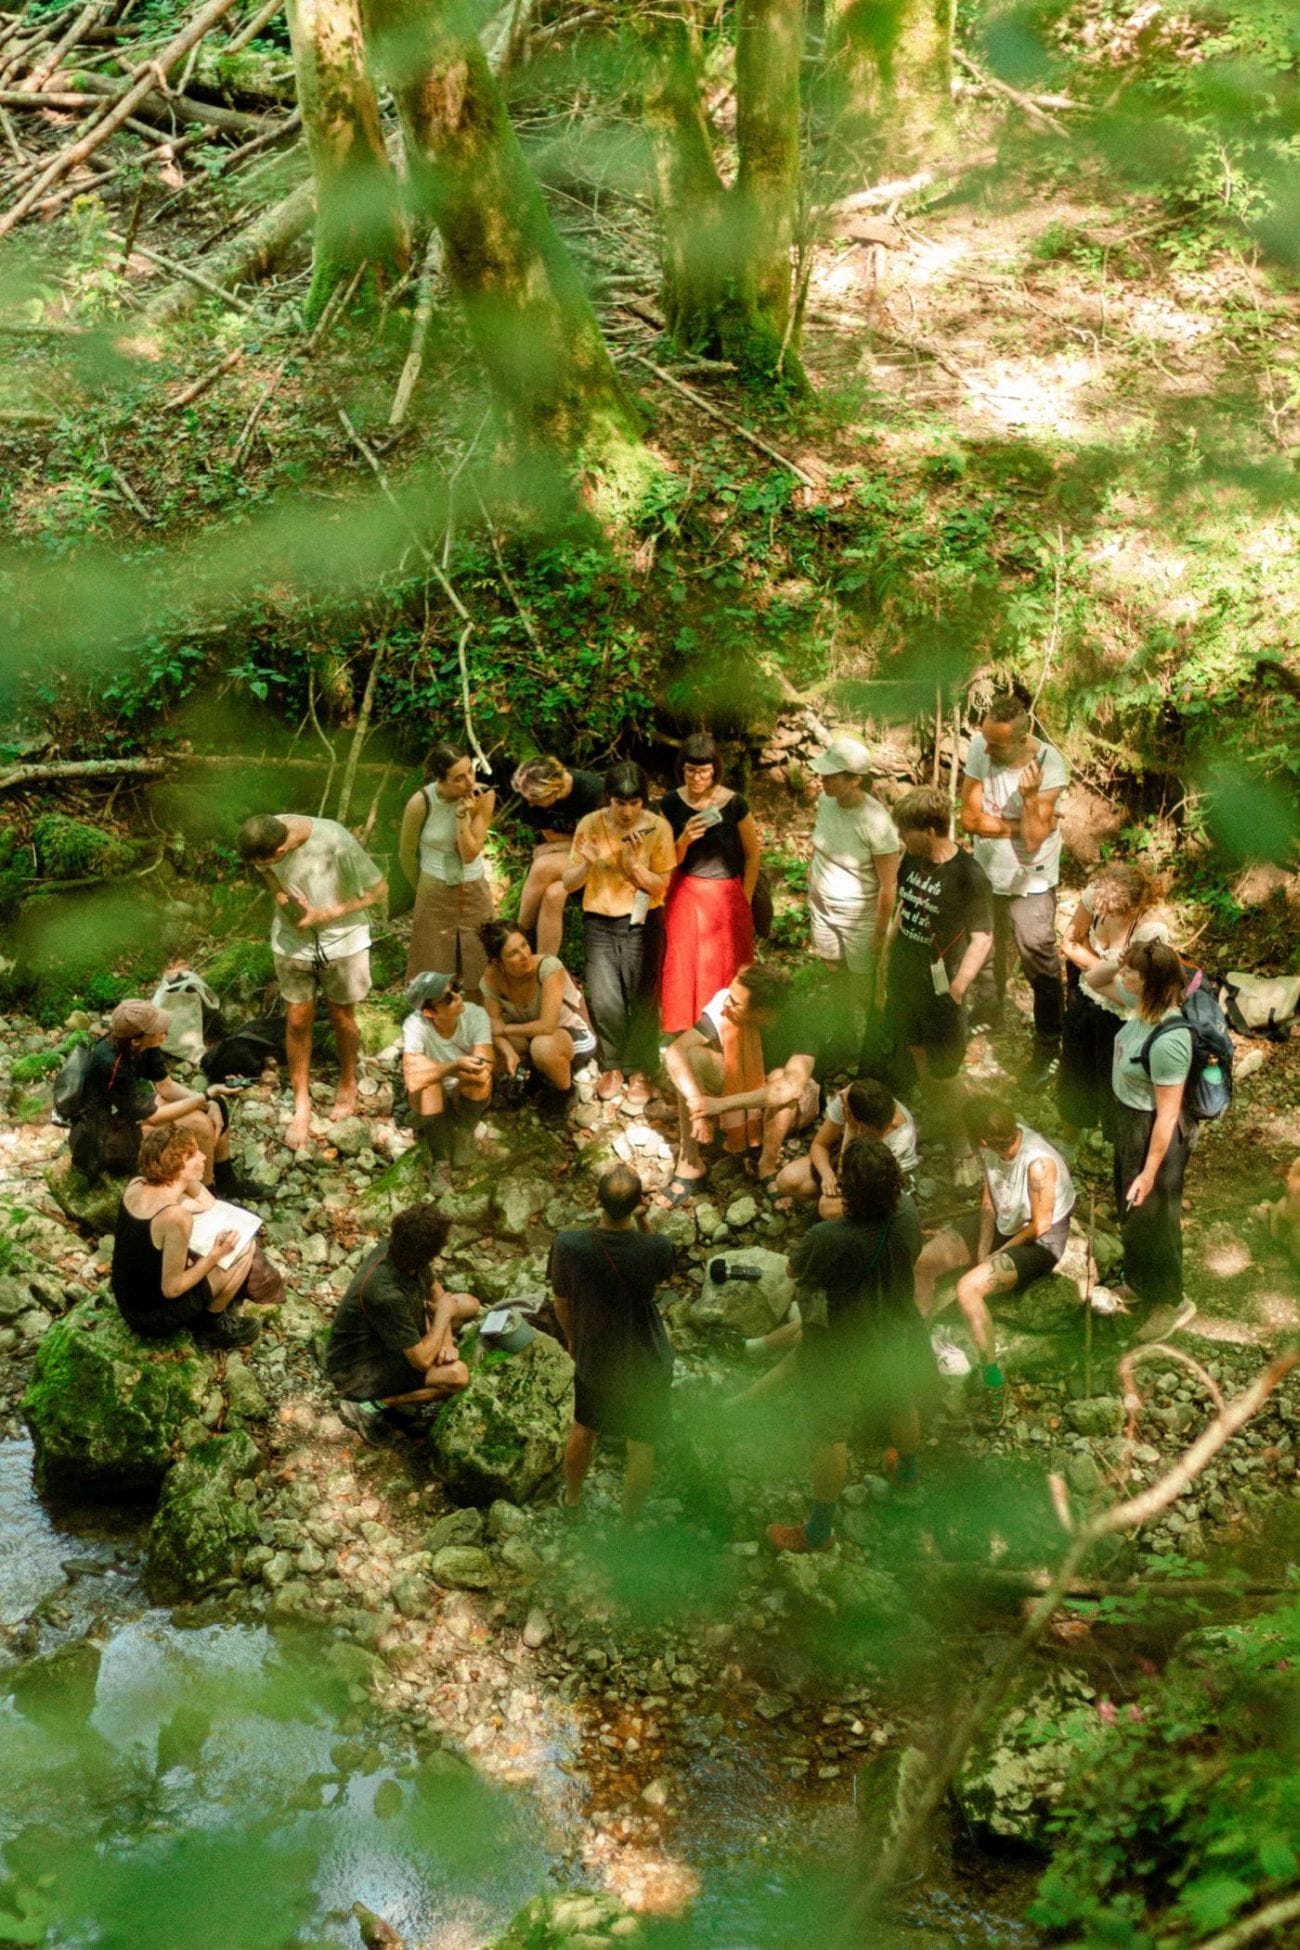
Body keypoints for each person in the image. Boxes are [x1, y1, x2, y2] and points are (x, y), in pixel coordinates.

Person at [765, 1138, 932, 1553]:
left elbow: (793, 1270)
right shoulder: (908, 1213)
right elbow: (913, 1253)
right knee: (899, 1400)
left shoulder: (828, 1236)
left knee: (830, 1433)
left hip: (838, 1345)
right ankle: (908, 1477)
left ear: (847, 1188)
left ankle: (818, 1531)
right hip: (893, 1329)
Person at [913, 1095, 1075, 1425]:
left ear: (983, 1138)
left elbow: (1040, 1224)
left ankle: (992, 1379)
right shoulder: (993, 1147)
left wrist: (996, 1256)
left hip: (1039, 1240)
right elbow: (989, 1198)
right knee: (923, 1263)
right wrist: (983, 1247)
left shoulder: (1038, 1163)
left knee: (967, 1289)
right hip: (1004, 1222)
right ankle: (916, 1339)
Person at [236, 813, 387, 1150]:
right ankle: (301, 1102)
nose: (261, 867)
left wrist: (325, 913)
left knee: (341, 1017)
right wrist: (282, 898)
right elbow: (268, 876)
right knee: (297, 1020)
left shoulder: (336, 842)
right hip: (293, 944)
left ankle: (347, 1080)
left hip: (344, 940)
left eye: (266, 862)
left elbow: (379, 890)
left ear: (279, 850)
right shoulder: (263, 832)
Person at [548, 1164, 675, 1525]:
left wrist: (575, 1341)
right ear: (639, 1202)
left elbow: (561, 1301)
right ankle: (627, 1527)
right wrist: (645, 1222)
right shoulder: (656, 1247)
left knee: (584, 1427)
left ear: (595, 1200)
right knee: (641, 1445)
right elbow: (662, 1268)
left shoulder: (569, 1245)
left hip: (597, 1358)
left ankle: (572, 1500)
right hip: (647, 1360)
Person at [883, 786, 993, 1181]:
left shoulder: (969, 875)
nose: (901, 840)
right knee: (918, 1058)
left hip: (942, 987)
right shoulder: (911, 861)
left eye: (906, 832)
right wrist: (885, 960)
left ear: (930, 830)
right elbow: (902, 911)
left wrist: (958, 988)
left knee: (946, 1072)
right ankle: (937, 1121)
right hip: (905, 979)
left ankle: (962, 1143)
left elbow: (983, 937)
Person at [961, 694, 1068, 1083]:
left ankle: (1048, 1043)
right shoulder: (980, 746)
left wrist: (1027, 800)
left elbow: (1036, 840)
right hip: (988, 871)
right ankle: (989, 1012)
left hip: (1032, 880)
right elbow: (970, 819)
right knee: (986, 945)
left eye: (997, 744)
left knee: (1038, 961)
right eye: (985, 739)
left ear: (1023, 739)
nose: (986, 749)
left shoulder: (1049, 764)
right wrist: (1018, 826)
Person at [561, 762, 676, 1110]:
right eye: (619, 803)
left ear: (643, 801)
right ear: (607, 798)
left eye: (634, 803)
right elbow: (569, 883)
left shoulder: (658, 829)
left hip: (644, 919)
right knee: (605, 996)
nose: (627, 811)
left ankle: (640, 1067)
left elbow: (662, 886)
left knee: (643, 995)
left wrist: (634, 865)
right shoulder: (590, 825)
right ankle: (612, 1065)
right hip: (599, 919)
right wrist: (588, 863)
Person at [111, 1125, 278, 1347]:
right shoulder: (175, 1217)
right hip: (152, 1318)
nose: (203, 1157)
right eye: (194, 1155)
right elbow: (172, 1289)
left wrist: (183, 1175)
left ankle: (210, 1311)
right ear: (177, 1166)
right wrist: (216, 1255)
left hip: (128, 1301)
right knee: (245, 1248)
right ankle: (211, 1327)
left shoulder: (136, 1184)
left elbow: (206, 1201)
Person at [661, 962, 818, 1199]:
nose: (726, 1003)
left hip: (788, 1103)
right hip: (742, 1083)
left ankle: (767, 1165)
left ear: (762, 1013)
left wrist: (720, 1105)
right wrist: (697, 1104)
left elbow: (790, 1087)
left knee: (781, 1081)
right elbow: (676, 1052)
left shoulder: (803, 1021)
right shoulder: (725, 1005)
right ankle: (690, 1163)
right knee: (693, 1057)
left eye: (736, 1002)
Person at [326, 1203, 479, 1443]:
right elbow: (422, 1361)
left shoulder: (405, 1253)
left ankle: (433, 1342)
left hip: (396, 1335)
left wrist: (447, 1343)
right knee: (457, 1375)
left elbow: (438, 1296)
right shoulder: (385, 1293)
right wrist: (442, 1317)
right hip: (358, 1369)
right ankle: (368, 1407)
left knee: (469, 1303)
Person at [1108, 939, 1196, 1336]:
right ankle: (1142, 1283)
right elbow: (1096, 981)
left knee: (1157, 1218)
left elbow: (1168, 1113)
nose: (1122, 976)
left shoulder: (1171, 1039)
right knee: (1132, 1211)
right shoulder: (1140, 1010)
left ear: (1151, 983)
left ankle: (1173, 1300)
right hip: (1132, 1124)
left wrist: (1149, 1172)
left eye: (1130, 972)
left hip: (1154, 1133)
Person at [70, 998, 241, 1188]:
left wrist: (211, 1103)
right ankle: (209, 1191)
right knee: (198, 1124)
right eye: (157, 1030)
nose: (164, 1032)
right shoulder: (111, 1063)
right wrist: (206, 1096)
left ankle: (227, 1181)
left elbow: (166, 1087)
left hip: (128, 1112)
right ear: (136, 1040)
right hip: (104, 1135)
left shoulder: (144, 1043)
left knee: (216, 1106)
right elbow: (154, 1117)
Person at [806, 736, 899, 1068]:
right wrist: (811, 881)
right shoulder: (826, 802)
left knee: (865, 987)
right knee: (834, 972)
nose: (824, 780)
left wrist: (879, 931)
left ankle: (876, 1049)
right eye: (824, 774)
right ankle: (843, 1039)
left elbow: (889, 885)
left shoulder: (876, 822)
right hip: (823, 907)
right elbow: (820, 846)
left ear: (855, 779)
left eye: (832, 776)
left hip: (859, 915)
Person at [1058, 864, 1167, 1148]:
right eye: (1099, 908)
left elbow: (1135, 991)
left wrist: (1088, 962)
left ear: (1133, 909)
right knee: (1074, 1075)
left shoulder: (1149, 930)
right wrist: (1104, 973)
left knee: (1114, 1086)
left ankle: (1119, 1149)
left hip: (1122, 1019)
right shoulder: (1097, 896)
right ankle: (1070, 1142)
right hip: (1083, 998)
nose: (1102, 914)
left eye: (1111, 912)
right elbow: (1068, 942)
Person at [658, 733, 761, 1034]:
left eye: (703, 771)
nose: (696, 777)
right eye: (691, 770)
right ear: (682, 769)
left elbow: (753, 856)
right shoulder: (670, 803)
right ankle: (682, 1029)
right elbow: (665, 860)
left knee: (725, 963)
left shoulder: (734, 804)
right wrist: (684, 840)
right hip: (686, 890)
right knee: (683, 963)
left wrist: (745, 897)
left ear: (715, 769)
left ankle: (725, 1029)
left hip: (726, 893)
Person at [398, 746, 496, 991]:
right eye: (459, 778)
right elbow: (406, 853)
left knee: (480, 957)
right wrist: (421, 888)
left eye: (470, 772)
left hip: (472, 887)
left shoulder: (483, 796)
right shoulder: (421, 802)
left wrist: (462, 816)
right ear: (440, 779)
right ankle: (432, 1017)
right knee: (432, 962)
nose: (468, 782)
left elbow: (470, 854)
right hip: (434, 885)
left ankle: (482, 1018)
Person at [478, 921, 597, 1122]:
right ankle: (528, 1077)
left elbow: (547, 1025)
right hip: (531, 1036)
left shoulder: (548, 967)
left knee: (542, 1046)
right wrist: (508, 1053)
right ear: (498, 962)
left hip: (570, 1033)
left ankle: (564, 1091)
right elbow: (493, 1026)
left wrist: (505, 1028)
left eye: (524, 945)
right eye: (513, 953)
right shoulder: (491, 978)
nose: (524, 955)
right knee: (488, 1043)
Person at [773, 1076, 918, 1216]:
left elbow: (848, 1181)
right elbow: (820, 1144)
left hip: (877, 1181)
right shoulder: (850, 1099)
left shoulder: (899, 1138)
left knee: (826, 1208)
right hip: (853, 1156)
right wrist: (827, 1175)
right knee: (786, 1180)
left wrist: (851, 1129)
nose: (840, 1095)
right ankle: (834, 1208)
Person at [511, 756, 605, 957]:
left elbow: (600, 843)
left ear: (554, 790)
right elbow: (550, 836)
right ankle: (545, 963)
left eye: (535, 800)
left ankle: (518, 934)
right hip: (576, 854)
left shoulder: (592, 791)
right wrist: (561, 844)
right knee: (553, 893)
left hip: (602, 858)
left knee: (543, 866)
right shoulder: (533, 795)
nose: (531, 805)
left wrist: (558, 845)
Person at [400, 972, 494, 1166]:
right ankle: (440, 1162)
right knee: (428, 1084)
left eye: (456, 988)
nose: (458, 997)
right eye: (448, 998)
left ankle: (464, 1132)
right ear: (430, 1013)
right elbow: (413, 1080)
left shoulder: (476, 1014)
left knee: (480, 1080)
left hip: (463, 1089)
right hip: (431, 1094)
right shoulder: (415, 1025)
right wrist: (454, 1065)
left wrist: (434, 1068)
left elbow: (484, 1068)